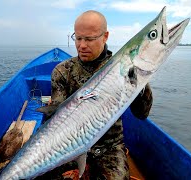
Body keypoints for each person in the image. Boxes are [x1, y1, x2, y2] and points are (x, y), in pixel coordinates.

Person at [36, 10, 153, 180]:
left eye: (89, 39)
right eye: (78, 38)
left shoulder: (123, 69)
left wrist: (140, 82)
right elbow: (57, 118)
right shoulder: (63, 71)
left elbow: (142, 113)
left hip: (108, 147)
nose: (82, 45)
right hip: (67, 143)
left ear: (105, 36)